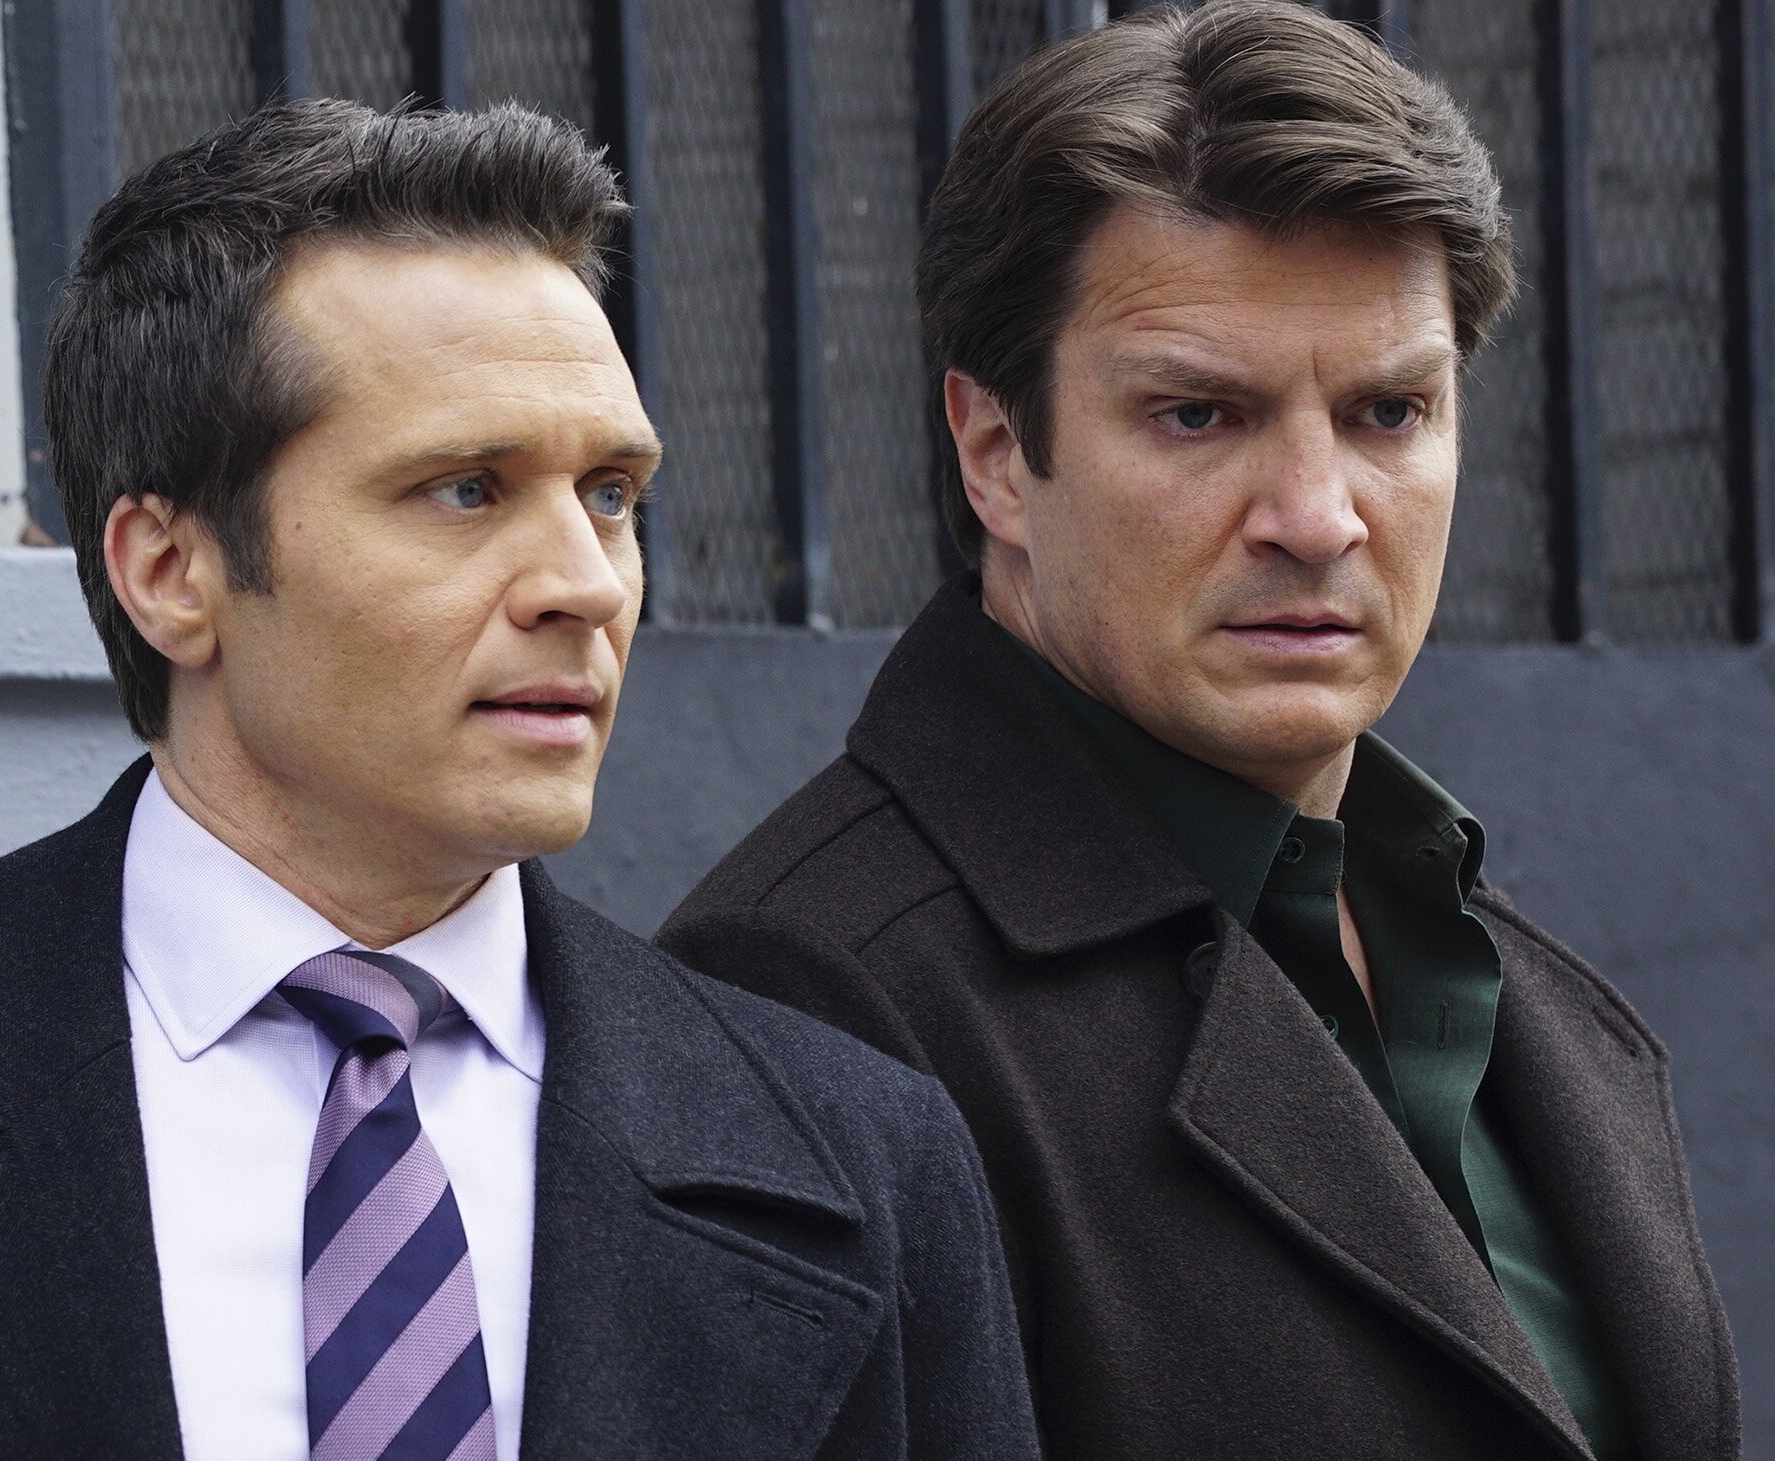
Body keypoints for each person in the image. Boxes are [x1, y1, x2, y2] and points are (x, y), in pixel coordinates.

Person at [0, 100, 1038, 1460]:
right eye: (464, 488)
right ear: (169, 569)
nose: (585, 581)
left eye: (612, 493)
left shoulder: (862, 1155)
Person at [659, 6, 1738, 1460]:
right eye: (1197, 415)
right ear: (995, 452)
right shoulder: (808, 998)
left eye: (1388, 411)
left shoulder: (1494, 970)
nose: (1317, 516)